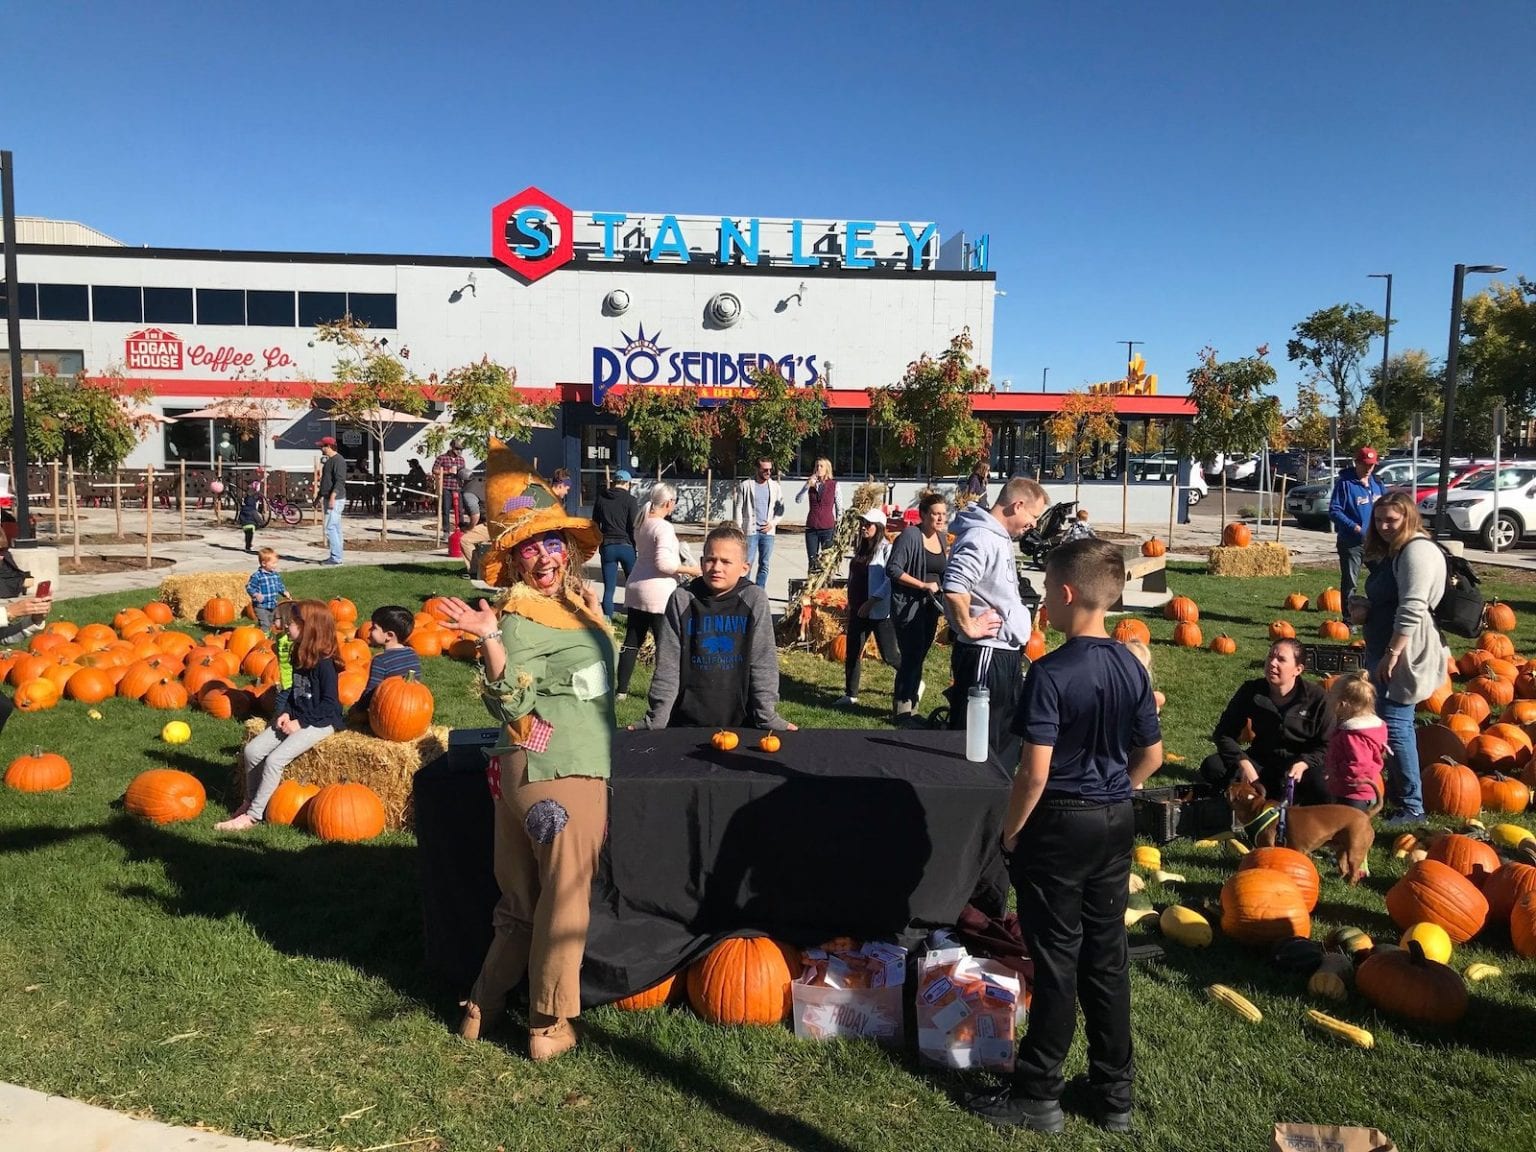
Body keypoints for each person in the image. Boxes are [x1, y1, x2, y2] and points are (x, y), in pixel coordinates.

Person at [970, 538, 1162, 1134]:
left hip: (1059, 822)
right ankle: (1113, 1094)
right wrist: (1116, 790)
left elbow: (1035, 771)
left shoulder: (1050, 672)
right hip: (1114, 819)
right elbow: (1151, 756)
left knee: (1055, 958)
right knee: (1106, 958)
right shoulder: (1132, 664)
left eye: (1048, 590)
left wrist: (1010, 832)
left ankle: (1039, 1092)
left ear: (1069, 593)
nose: (1044, 600)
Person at [434, 465, 612, 1062]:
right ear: (511, 562)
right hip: (563, 774)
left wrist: (598, 613)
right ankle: (547, 1024)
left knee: (518, 902)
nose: (545, 558)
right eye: (530, 549)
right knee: (563, 903)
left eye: (552, 544)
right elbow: (512, 699)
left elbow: (590, 677)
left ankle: (481, 1006)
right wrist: (490, 642)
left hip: (520, 774)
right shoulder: (516, 618)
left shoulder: (564, 606)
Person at [636, 524, 794, 732]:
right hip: (685, 721)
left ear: (744, 567)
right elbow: (668, 664)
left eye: (726, 561)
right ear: (701, 563)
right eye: (711, 559)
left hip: (741, 722)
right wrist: (657, 717)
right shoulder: (682, 599)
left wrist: (766, 715)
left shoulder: (753, 598)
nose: (717, 567)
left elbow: (763, 661)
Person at [1351, 490, 1447, 822]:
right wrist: (1366, 607)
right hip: (1385, 648)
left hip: (1404, 651)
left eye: (1391, 520)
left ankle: (1412, 805)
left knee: (1395, 725)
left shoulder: (1416, 551)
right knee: (1389, 723)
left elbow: (1413, 607)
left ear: (1409, 517)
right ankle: (1399, 792)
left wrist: (1393, 654)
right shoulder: (1398, 551)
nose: (1384, 526)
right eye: (1378, 520)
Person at [942, 476, 1049, 762]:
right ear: (1018, 505)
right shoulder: (981, 537)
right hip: (986, 654)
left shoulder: (996, 536)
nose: (1034, 525)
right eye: (1034, 516)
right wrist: (968, 625)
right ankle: (973, 801)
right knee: (979, 742)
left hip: (1003, 653)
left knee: (1003, 739)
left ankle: (999, 801)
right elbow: (954, 586)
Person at [217, 599, 342, 832]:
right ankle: (250, 802)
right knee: (251, 751)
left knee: (275, 760)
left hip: (321, 722)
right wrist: (285, 713)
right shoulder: (298, 655)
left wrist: (301, 722)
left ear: (310, 627)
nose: (287, 626)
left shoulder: (325, 665)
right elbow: (295, 693)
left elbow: (330, 705)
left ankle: (254, 816)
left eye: (293, 622)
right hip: (298, 716)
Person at [1199, 638, 1329, 806]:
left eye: (1281, 659)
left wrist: (1304, 763)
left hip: (1298, 767)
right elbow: (1223, 734)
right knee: (1213, 766)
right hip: (1262, 761)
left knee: (1323, 784)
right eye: (1270, 657)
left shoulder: (1317, 698)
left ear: (1298, 669)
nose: (1272, 663)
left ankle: (1299, 810)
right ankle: (1250, 800)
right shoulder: (1252, 690)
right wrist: (1243, 761)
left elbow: (1328, 744)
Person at [616, 482, 699, 699]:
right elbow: (664, 564)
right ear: (669, 503)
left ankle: (621, 691)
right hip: (658, 593)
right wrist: (690, 569)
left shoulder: (642, 522)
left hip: (636, 586)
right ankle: (666, 690)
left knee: (632, 640)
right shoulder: (663, 527)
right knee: (667, 645)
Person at [886, 491, 949, 718]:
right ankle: (902, 707)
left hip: (931, 607)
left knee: (919, 655)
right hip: (909, 606)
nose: (940, 518)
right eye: (935, 514)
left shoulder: (941, 538)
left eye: (943, 513)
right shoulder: (910, 536)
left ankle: (912, 706)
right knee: (911, 655)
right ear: (923, 514)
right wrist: (922, 585)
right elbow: (893, 569)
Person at [837, 508, 900, 708]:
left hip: (879, 612)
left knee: (889, 656)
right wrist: (851, 601)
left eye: (868, 524)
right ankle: (850, 694)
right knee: (853, 651)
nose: (864, 527)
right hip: (858, 609)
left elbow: (891, 579)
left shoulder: (886, 549)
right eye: (863, 523)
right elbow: (855, 578)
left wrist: (872, 601)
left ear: (879, 527)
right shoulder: (861, 548)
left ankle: (913, 679)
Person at [1323, 671, 1388, 812]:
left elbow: (1358, 765)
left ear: (1343, 704)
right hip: (1358, 790)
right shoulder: (1363, 730)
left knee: (1350, 829)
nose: (1328, 700)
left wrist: (1336, 773)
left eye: (1331, 697)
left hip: (1354, 793)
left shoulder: (1353, 736)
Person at [1329, 446, 1384, 607]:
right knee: (1350, 582)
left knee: (1383, 577)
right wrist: (1355, 528)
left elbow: (1387, 505)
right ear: (1356, 463)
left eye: (1371, 465)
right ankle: (1349, 619)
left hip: (1375, 542)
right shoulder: (1345, 484)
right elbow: (1334, 511)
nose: (1368, 468)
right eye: (1365, 464)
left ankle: (1377, 611)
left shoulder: (1377, 483)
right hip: (1351, 542)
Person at [592, 470, 639, 617]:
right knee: (633, 585)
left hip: (607, 546)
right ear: (627, 483)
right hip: (626, 546)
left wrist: (600, 541)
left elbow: (594, 524)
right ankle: (634, 616)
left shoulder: (601, 499)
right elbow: (634, 526)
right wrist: (636, 546)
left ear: (614, 482)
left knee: (609, 588)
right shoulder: (630, 500)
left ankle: (608, 620)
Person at [358, 605, 422, 710]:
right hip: (412, 707)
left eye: (374, 627)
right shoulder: (413, 654)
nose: (369, 630)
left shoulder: (381, 661)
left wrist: (357, 708)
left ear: (389, 635)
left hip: (389, 708)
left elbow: (371, 692)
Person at [735, 457, 783, 591]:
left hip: (767, 532)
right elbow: (739, 507)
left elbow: (781, 509)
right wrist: (739, 528)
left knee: (765, 563)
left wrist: (772, 523)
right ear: (757, 469)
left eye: (770, 469)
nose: (768, 472)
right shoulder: (746, 485)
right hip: (750, 531)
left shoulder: (775, 487)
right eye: (765, 469)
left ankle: (759, 591)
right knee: (747, 562)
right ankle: (744, 591)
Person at [795, 458, 840, 573]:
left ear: (827, 469)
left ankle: (825, 586)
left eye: (821, 466)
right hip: (812, 527)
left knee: (826, 561)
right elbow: (798, 500)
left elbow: (839, 506)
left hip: (827, 527)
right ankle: (811, 584)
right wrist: (807, 485)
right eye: (816, 466)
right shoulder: (811, 484)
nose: (818, 469)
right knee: (812, 561)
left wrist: (839, 525)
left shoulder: (834, 485)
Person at [317, 436, 348, 566]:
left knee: (329, 528)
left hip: (336, 499)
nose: (320, 448)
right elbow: (326, 482)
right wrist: (318, 497)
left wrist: (333, 497)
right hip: (328, 496)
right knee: (335, 528)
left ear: (328, 446)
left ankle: (336, 558)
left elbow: (340, 481)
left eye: (322, 446)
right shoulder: (329, 461)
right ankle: (337, 556)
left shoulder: (339, 461)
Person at [245, 547, 288, 631]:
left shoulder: (275, 575)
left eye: (276, 563)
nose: (275, 565)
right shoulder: (257, 576)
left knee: (272, 623)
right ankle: (263, 640)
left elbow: (279, 585)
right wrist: (256, 594)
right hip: (261, 606)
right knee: (265, 624)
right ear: (264, 563)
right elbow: (249, 587)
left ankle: (268, 637)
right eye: (273, 563)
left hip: (272, 604)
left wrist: (284, 592)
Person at [434, 439, 468, 531]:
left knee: (460, 510)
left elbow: (463, 471)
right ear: (451, 448)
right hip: (446, 487)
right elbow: (435, 470)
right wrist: (447, 471)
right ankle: (446, 531)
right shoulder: (442, 458)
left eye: (461, 449)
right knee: (446, 509)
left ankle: (461, 530)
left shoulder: (461, 460)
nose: (459, 451)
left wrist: (465, 474)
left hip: (457, 487)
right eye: (457, 449)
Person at [236, 483, 260, 552]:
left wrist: (239, 522)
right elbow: (256, 517)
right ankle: (248, 546)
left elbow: (240, 516)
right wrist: (261, 523)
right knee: (250, 536)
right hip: (251, 525)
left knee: (247, 536)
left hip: (245, 525)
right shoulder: (253, 510)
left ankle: (247, 545)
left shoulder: (243, 509)